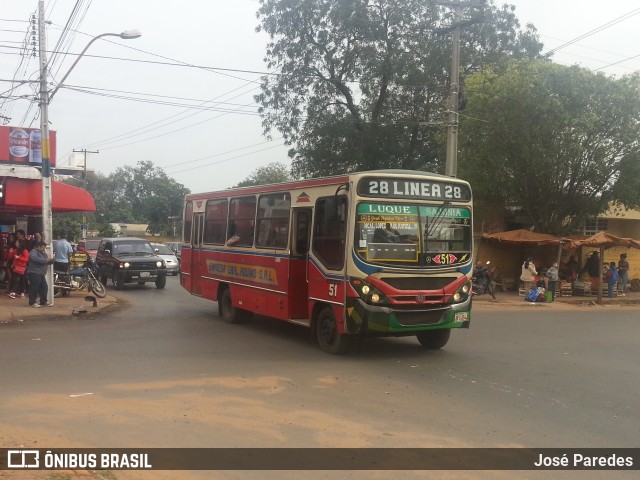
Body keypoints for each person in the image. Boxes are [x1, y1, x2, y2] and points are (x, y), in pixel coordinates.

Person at [26, 241, 54, 307]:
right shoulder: (33, 253)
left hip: (41, 273)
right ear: (38, 246)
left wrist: (50, 261)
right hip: (34, 273)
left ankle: (43, 301)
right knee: (34, 288)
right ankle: (32, 302)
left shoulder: (43, 253)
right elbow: (37, 260)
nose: (44, 249)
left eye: (44, 247)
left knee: (44, 287)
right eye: (42, 247)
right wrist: (47, 260)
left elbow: (44, 261)